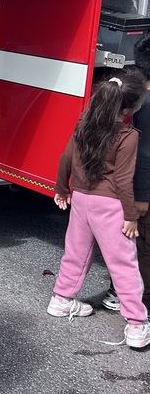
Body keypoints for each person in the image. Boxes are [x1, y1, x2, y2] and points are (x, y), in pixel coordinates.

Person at [48, 68, 150, 349]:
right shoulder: (128, 135)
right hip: (111, 206)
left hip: (81, 198)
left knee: (76, 253)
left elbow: (65, 156)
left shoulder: (84, 121)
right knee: (123, 264)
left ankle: (61, 299)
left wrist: (62, 189)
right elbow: (122, 180)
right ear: (129, 108)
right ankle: (137, 325)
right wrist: (131, 216)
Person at [102, 35, 150, 313]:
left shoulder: (142, 100)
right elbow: (145, 155)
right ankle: (126, 295)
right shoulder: (146, 106)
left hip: (138, 188)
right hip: (142, 191)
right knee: (139, 244)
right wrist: (142, 197)